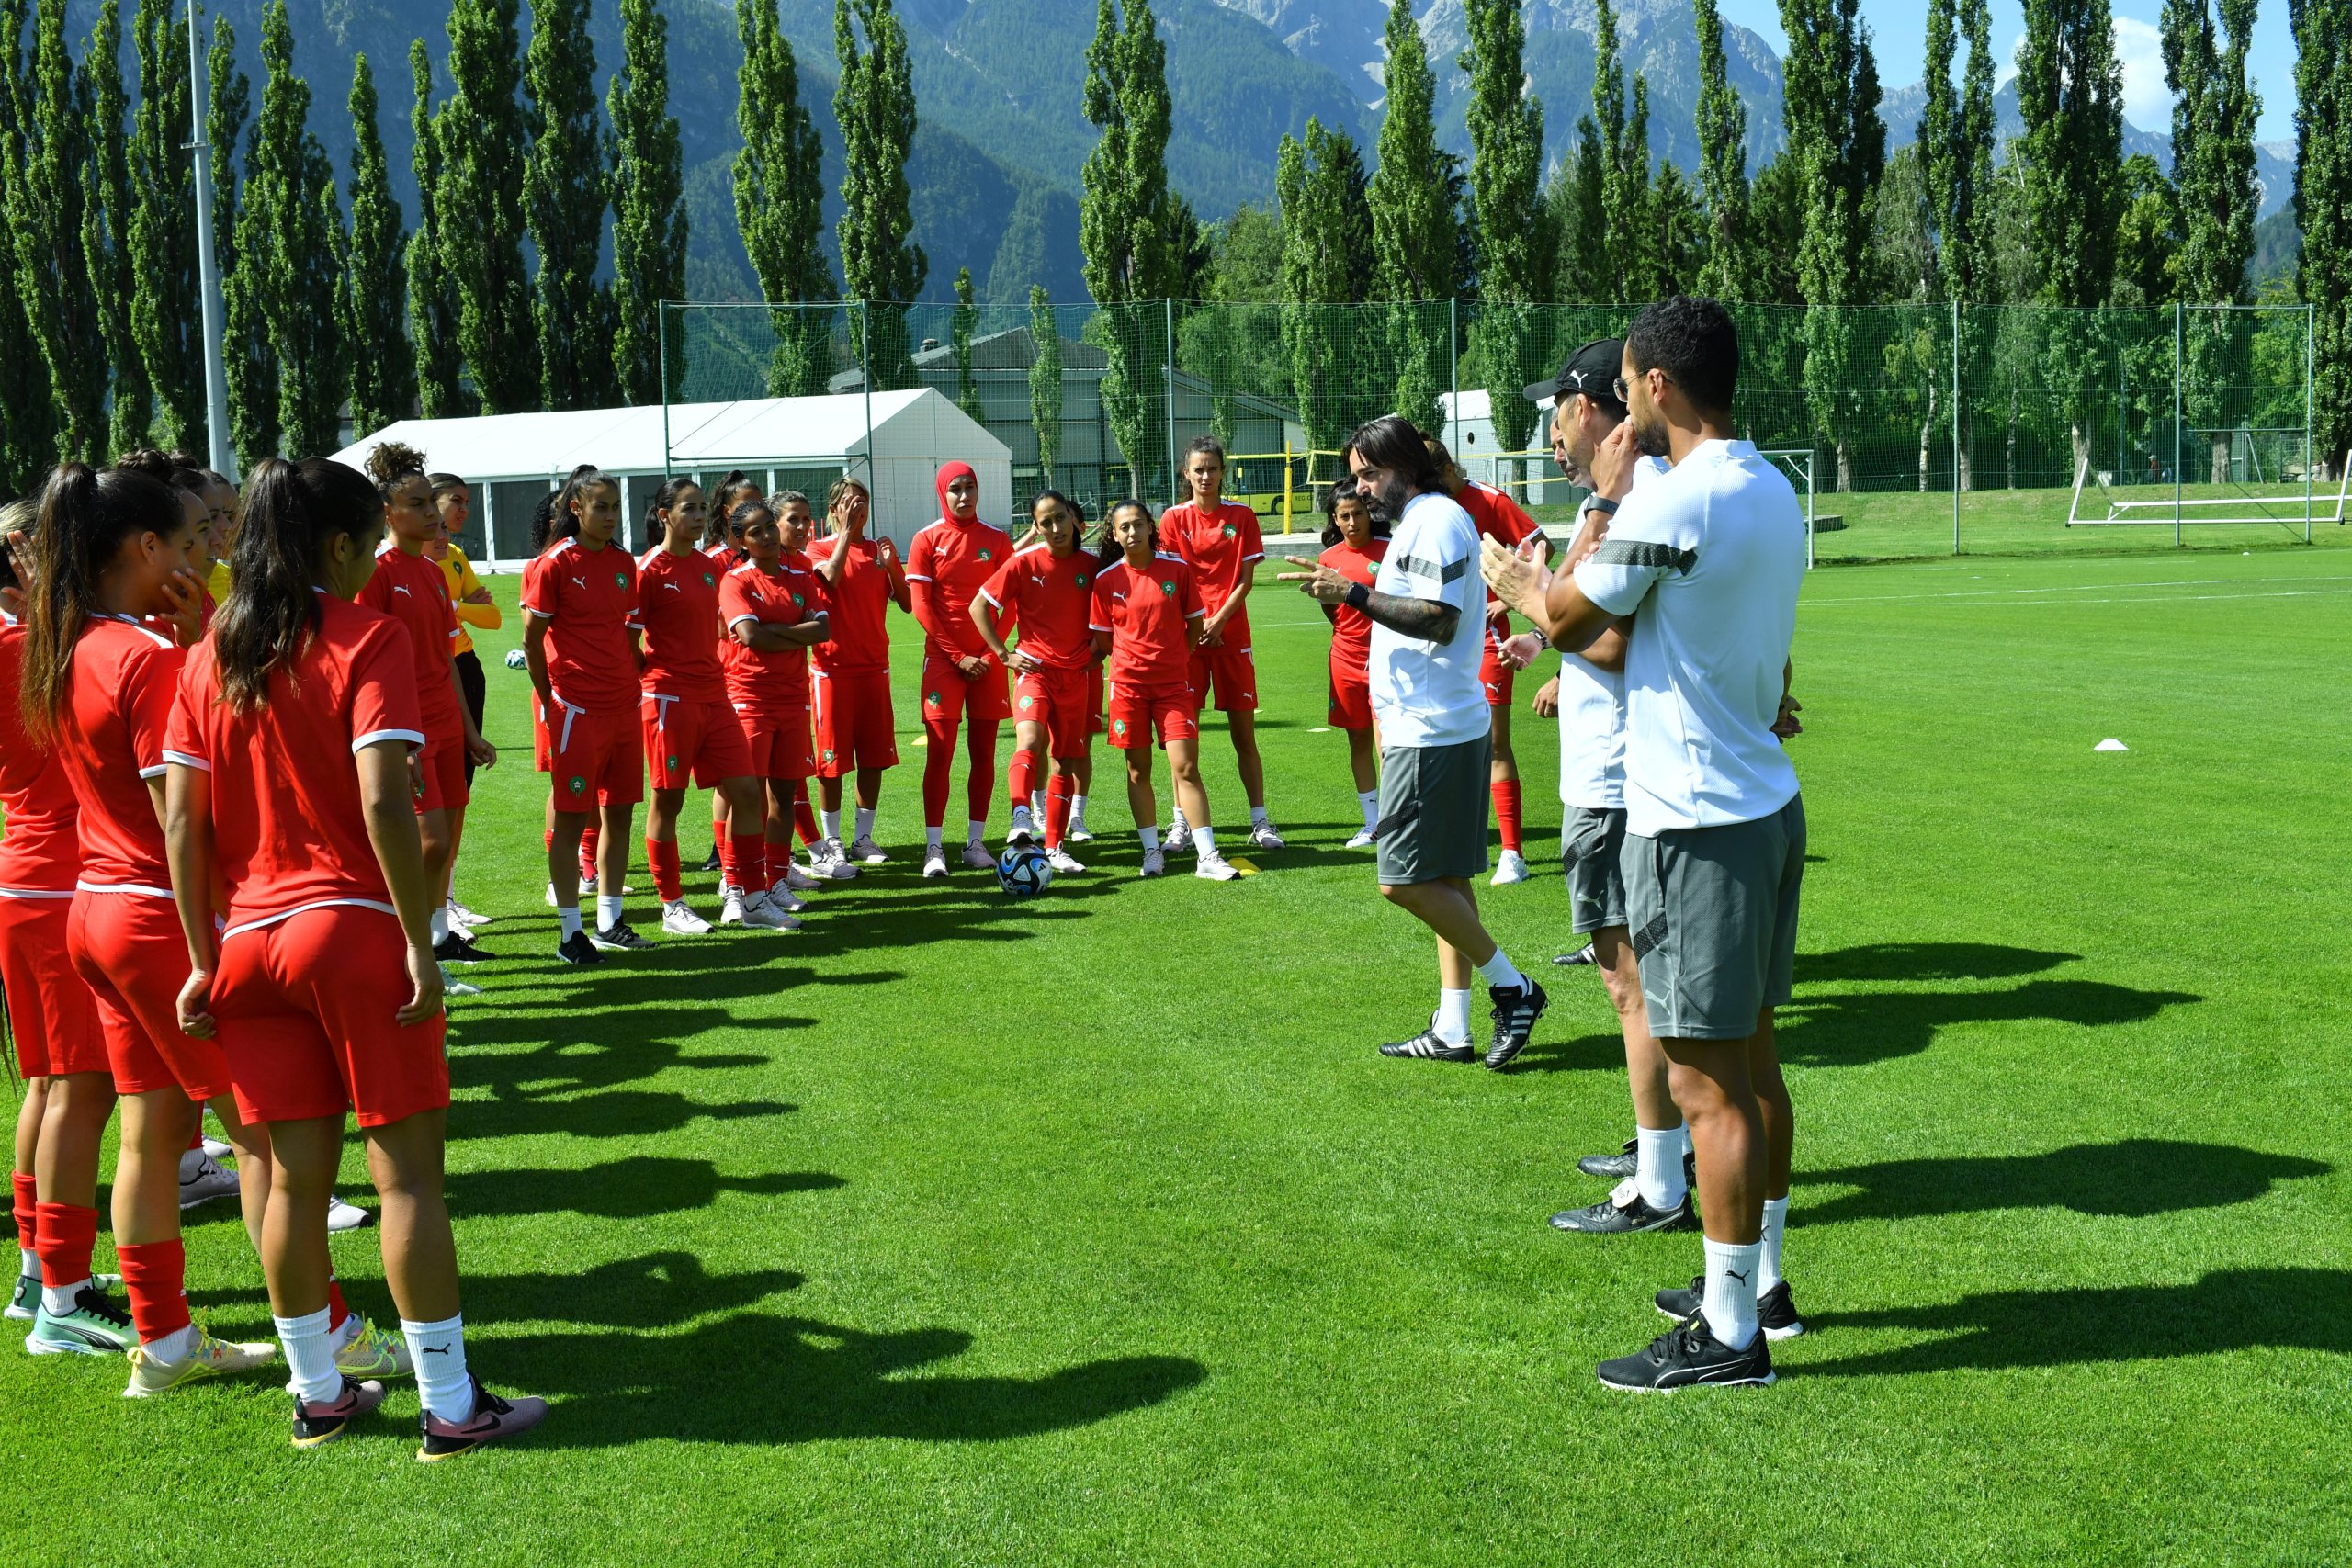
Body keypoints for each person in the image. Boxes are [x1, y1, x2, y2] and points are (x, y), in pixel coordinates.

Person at [164, 454, 546, 1455]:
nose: (373, 560)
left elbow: (183, 828)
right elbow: (387, 799)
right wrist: (420, 941)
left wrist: (203, 957)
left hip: (246, 944)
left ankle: (318, 1397)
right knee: (407, 1179)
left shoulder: (208, 654)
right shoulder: (365, 635)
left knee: (290, 1183)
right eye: (369, 543)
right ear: (336, 544)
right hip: (346, 930)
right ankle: (453, 1407)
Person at [1483, 297, 1806, 1391]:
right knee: (1752, 1062)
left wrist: (1539, 568)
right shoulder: (1772, 486)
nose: (1619, 409)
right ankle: (1758, 1287)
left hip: (1698, 822)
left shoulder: (1683, 500)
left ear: (1658, 386)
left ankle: (1729, 1338)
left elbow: (1572, 618)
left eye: (1624, 387)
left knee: (1706, 1083)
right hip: (1762, 804)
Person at [16, 463, 277, 1393]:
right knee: (264, 1133)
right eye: (192, 536)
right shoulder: (145, 657)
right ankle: (328, 1338)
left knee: (150, 1131)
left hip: (96, 908)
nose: (209, 550)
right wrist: (213, 951)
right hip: (159, 919)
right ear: (146, 549)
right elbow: (189, 809)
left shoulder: (74, 641)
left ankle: (162, 1343)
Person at [1281, 416, 1545, 1067]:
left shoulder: (1433, 520)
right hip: (1436, 724)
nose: (1362, 487)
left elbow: (1437, 617)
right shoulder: (1428, 519)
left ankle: (1515, 986)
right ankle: (1454, 1027)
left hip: (1428, 732)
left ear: (1402, 466)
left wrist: (1353, 592)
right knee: (1447, 881)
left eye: (1370, 474)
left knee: (1399, 880)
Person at [1514, 339, 1694, 1236]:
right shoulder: (1623, 504)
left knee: (1632, 988)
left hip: (1617, 781)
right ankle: (1658, 1143)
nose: (1551, 430)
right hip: (1616, 770)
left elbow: (1606, 639)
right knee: (1635, 985)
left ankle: (1660, 1180)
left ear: (1590, 409)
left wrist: (1530, 597)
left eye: (1557, 410)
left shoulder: (1641, 505)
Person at [1, 501, 125, 1346]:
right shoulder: (32, 650)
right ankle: (65, 1298)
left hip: (27, 882)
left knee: (48, 1084)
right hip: (57, 884)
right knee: (78, 1089)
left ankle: (41, 1270)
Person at [358, 446, 497, 987]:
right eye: (418, 504)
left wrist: (468, 731)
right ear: (388, 513)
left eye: (431, 504)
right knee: (427, 841)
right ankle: (408, 948)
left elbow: (446, 660)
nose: (433, 514)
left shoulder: (437, 574)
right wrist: (398, 740)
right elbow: (367, 663)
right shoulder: (378, 573)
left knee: (445, 839)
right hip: (406, 727)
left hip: (443, 718)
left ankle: (437, 941)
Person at [636, 480, 792, 934]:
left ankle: (752, 898)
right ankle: (672, 906)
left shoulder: (710, 568)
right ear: (664, 515)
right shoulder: (649, 568)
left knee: (746, 792)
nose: (699, 515)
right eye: (689, 508)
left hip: (714, 694)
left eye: (703, 507)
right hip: (668, 698)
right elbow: (629, 643)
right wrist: (659, 679)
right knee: (669, 801)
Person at [522, 469, 650, 963]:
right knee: (575, 819)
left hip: (624, 706)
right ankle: (569, 933)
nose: (611, 516)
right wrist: (551, 698)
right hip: (576, 709)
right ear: (576, 509)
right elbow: (531, 641)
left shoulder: (622, 562)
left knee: (619, 815)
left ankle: (609, 921)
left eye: (615, 507)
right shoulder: (553, 564)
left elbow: (623, 634)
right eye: (601, 506)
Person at [1088, 501, 1240, 881]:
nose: (1132, 533)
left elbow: (1193, 627)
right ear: (1115, 534)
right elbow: (1104, 642)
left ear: (1150, 527)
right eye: (1124, 527)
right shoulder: (1106, 581)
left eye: (1138, 525)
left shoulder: (1177, 571)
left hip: (1173, 686)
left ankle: (1207, 855)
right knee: (1138, 770)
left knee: (1186, 767)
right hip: (1127, 689)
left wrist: (1174, 658)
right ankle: (1151, 851)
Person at [1428, 439, 1552, 887]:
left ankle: (1512, 853)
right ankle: (1456, 840)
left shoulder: (1488, 500)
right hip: (1443, 634)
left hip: (1486, 638)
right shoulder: (1429, 509)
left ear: (1447, 469)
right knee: (1447, 736)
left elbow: (1541, 546)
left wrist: (1510, 598)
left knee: (1494, 742)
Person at [1156, 437, 1284, 852]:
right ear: (1186, 474)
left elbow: (1245, 580)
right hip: (1189, 643)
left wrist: (1220, 618)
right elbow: (1171, 582)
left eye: (1213, 468)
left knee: (1244, 736)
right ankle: (1180, 824)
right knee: (1182, 739)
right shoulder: (1173, 520)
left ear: (1222, 471)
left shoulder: (1242, 516)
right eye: (1199, 469)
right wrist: (1198, 623)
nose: (1206, 476)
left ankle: (1261, 822)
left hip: (1232, 639)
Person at [718, 499, 832, 928]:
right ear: (740, 540)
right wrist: (791, 633)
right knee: (747, 797)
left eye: (769, 527)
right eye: (755, 531)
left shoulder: (799, 576)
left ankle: (775, 878)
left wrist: (772, 632)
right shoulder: (735, 580)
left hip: (792, 699)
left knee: (785, 795)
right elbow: (748, 636)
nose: (767, 536)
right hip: (748, 698)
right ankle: (735, 889)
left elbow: (822, 630)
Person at [973, 491, 1097, 874]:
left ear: (1073, 519)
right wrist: (1004, 654)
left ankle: (1056, 848)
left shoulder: (1093, 567)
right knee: (1029, 741)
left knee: (1064, 761)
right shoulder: (1022, 562)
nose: (1056, 528)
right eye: (1046, 523)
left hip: (1075, 677)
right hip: (1034, 673)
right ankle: (1021, 815)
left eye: (1060, 518)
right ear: (1037, 527)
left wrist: (1095, 655)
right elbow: (978, 607)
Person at [905, 461, 1014, 878]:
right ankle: (935, 848)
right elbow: (921, 606)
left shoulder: (996, 540)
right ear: (942, 492)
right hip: (945, 665)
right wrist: (956, 656)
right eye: (955, 489)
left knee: (984, 754)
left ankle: (975, 842)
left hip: (986, 664)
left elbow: (1010, 603)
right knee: (941, 753)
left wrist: (990, 656)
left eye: (970, 487)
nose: (964, 496)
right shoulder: (926, 539)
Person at [809, 476, 907, 869]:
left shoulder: (876, 551)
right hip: (832, 671)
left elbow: (907, 604)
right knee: (831, 762)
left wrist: (892, 565)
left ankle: (863, 838)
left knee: (873, 758)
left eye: (863, 501)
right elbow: (829, 579)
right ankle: (831, 841)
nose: (857, 508)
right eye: (849, 502)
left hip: (874, 669)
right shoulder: (816, 549)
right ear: (834, 509)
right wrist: (846, 536)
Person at [425, 472, 498, 932]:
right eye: (457, 501)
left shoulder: (453, 556)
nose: (463, 510)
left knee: (460, 792)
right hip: (431, 676)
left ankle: (447, 898)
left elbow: (491, 616)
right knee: (433, 796)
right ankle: (432, 908)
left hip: (465, 667)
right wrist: (458, 605)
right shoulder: (401, 562)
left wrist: (452, 608)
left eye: (467, 502)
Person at [1311, 478, 1389, 850]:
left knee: (1385, 743)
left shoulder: (1391, 549)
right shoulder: (1327, 560)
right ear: (1335, 520)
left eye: (1358, 513)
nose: (1352, 522)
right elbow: (1333, 612)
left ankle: (1395, 821)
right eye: (1344, 516)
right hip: (1344, 659)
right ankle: (1372, 822)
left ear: (1370, 513)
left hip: (1387, 661)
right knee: (1357, 739)